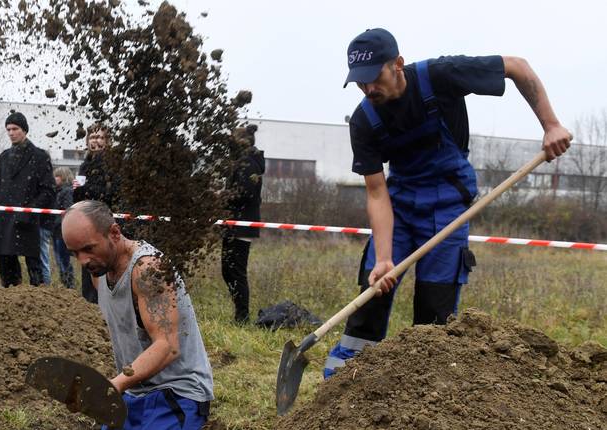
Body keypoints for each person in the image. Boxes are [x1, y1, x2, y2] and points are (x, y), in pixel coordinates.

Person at [324, 28, 572, 378]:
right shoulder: (364, 119)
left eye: (374, 78)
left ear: (397, 64)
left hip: (447, 206)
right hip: (399, 206)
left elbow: (517, 66)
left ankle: (423, 389)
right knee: (372, 293)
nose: (368, 89)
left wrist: (551, 125)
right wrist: (383, 259)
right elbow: (377, 192)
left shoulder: (440, 76)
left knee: (434, 310)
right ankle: (344, 385)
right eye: (360, 83)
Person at [61, 200, 213, 430]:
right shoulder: (99, 271)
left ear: (114, 233)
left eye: (88, 248)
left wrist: (114, 385)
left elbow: (167, 346)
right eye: (74, 253)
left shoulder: (149, 270)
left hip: (178, 393)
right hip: (135, 393)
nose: (82, 260)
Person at [0, 111, 56, 288]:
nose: (11, 133)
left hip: (29, 219)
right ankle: (11, 299)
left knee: (35, 267)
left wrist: (30, 211)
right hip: (4, 218)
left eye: (15, 128)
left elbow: (48, 190)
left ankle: (39, 299)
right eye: (8, 129)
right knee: (6, 265)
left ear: (24, 130)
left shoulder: (40, 156)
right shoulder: (3, 157)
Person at [222, 124, 265, 324]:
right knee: (227, 270)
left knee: (236, 271)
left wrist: (222, 196)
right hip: (234, 223)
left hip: (242, 224)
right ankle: (240, 313)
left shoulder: (248, 163)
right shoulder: (241, 162)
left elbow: (245, 193)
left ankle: (242, 317)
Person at [73, 123, 118, 303]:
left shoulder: (113, 164)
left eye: (99, 137)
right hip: (87, 222)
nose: (95, 141)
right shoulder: (85, 165)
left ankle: (109, 303)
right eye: (92, 137)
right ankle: (90, 303)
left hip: (106, 222)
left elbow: (111, 192)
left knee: (107, 265)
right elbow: (77, 194)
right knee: (88, 264)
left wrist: (87, 189)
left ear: (107, 141)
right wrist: (80, 190)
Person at [51, 167, 75, 288]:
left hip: (61, 230)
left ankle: (69, 285)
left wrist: (59, 222)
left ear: (63, 177)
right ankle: (65, 284)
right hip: (55, 230)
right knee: (59, 260)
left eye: (57, 176)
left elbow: (68, 209)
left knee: (64, 261)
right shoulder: (56, 191)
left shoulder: (67, 191)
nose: (54, 179)